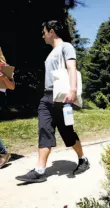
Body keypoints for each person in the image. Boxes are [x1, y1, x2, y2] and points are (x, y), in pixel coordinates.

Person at [16, 20, 90, 183]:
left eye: (44, 32)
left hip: (61, 96)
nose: (42, 35)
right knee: (44, 129)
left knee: (67, 132)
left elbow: (72, 68)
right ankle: (39, 170)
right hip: (47, 96)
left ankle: (83, 159)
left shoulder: (66, 47)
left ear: (52, 31)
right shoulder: (51, 52)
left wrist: (72, 90)